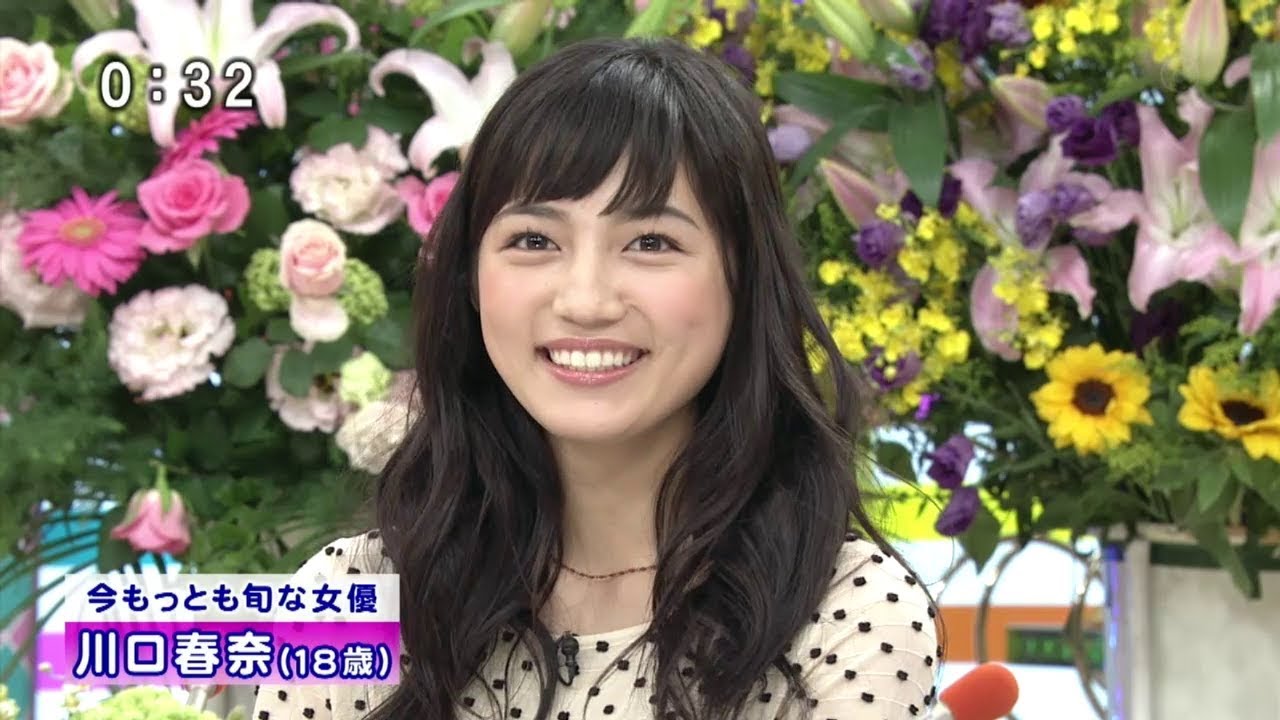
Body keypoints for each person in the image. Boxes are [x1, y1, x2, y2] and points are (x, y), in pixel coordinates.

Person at [251, 36, 940, 720]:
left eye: (650, 242)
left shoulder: (847, 618)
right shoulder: (348, 600)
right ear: (469, 278)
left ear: (744, 280)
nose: (585, 301)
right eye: (534, 240)